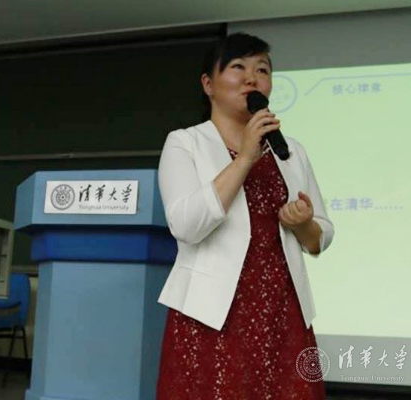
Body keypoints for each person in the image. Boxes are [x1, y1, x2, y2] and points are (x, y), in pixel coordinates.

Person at [155, 33, 334, 399]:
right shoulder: (185, 143)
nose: (253, 78)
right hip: (210, 317)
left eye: (262, 70)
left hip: (282, 313)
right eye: (238, 67)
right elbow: (186, 226)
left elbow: (321, 237)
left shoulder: (291, 150)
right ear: (208, 84)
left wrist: (303, 225)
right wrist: (246, 158)